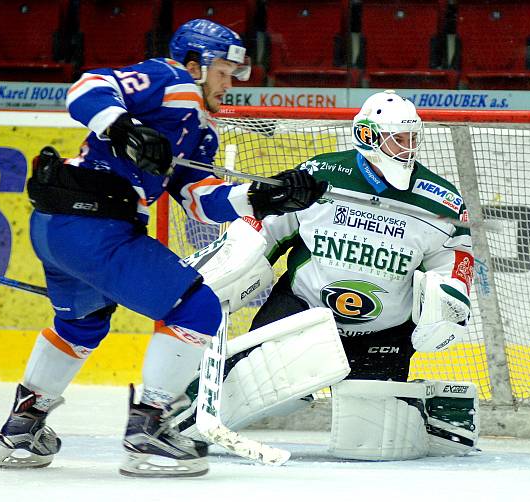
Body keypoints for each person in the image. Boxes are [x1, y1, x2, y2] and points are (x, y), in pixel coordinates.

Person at [0, 19, 324, 477]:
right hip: (93, 224)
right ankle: (151, 429)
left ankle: (22, 429)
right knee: (197, 309)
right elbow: (88, 86)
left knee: (80, 324)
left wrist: (263, 198)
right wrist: (123, 127)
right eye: (225, 71)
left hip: (59, 227)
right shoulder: (173, 82)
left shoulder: (201, 132)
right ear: (196, 64)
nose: (231, 84)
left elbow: (199, 201)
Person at [172, 90, 480, 461]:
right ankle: (170, 418)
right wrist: (238, 255)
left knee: (371, 442)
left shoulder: (440, 200)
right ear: (367, 136)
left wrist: (450, 296)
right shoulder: (319, 176)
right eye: (398, 138)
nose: (408, 147)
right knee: (255, 385)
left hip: (383, 332)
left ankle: (426, 412)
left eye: (412, 138)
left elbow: (456, 258)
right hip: (301, 314)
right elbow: (266, 227)